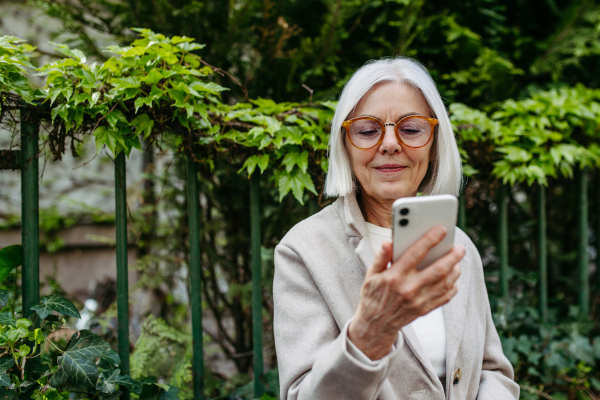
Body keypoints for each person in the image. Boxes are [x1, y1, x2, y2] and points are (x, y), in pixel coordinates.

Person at [273, 57, 519, 400]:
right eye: (368, 130)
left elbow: (491, 371)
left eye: (411, 128)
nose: (389, 143)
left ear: (434, 144)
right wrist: (371, 331)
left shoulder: (458, 247)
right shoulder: (304, 250)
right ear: (345, 144)